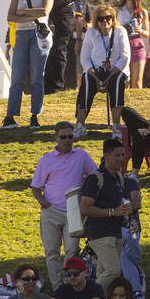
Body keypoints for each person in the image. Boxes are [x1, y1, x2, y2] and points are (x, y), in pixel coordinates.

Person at [31, 121, 97, 288]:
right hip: (51, 211)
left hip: (74, 213)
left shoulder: (82, 156)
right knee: (52, 252)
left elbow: (95, 177)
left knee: (72, 250)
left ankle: (69, 283)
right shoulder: (46, 160)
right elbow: (36, 187)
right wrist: (43, 202)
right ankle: (56, 286)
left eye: (70, 136)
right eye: (63, 137)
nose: (67, 140)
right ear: (56, 138)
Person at [79, 138, 140, 293]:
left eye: (123, 155)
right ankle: (89, 298)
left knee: (104, 273)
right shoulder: (95, 178)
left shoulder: (119, 179)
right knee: (113, 272)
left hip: (115, 233)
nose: (121, 159)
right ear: (106, 157)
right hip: (100, 234)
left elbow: (123, 207)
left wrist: (130, 220)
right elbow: (84, 208)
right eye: (117, 155)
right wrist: (113, 212)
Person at [4, 0, 53, 128]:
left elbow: (45, 11)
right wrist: (31, 15)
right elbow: (10, 17)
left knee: (37, 77)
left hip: (38, 37)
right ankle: (10, 116)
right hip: (21, 36)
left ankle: (35, 115)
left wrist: (23, 12)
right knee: (17, 77)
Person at [74, 3, 130, 140]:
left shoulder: (120, 31)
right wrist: (95, 76)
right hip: (96, 71)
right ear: (97, 21)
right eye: (101, 18)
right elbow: (85, 57)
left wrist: (110, 76)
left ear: (113, 18)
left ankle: (116, 126)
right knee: (86, 80)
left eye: (108, 17)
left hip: (116, 70)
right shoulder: (91, 33)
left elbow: (125, 56)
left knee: (116, 82)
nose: (105, 21)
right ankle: (79, 125)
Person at [116, 0, 149, 90]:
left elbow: (147, 33)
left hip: (137, 45)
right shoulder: (117, 10)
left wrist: (140, 30)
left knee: (137, 83)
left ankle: (136, 106)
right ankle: (123, 105)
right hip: (121, 44)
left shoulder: (142, 11)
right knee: (124, 81)